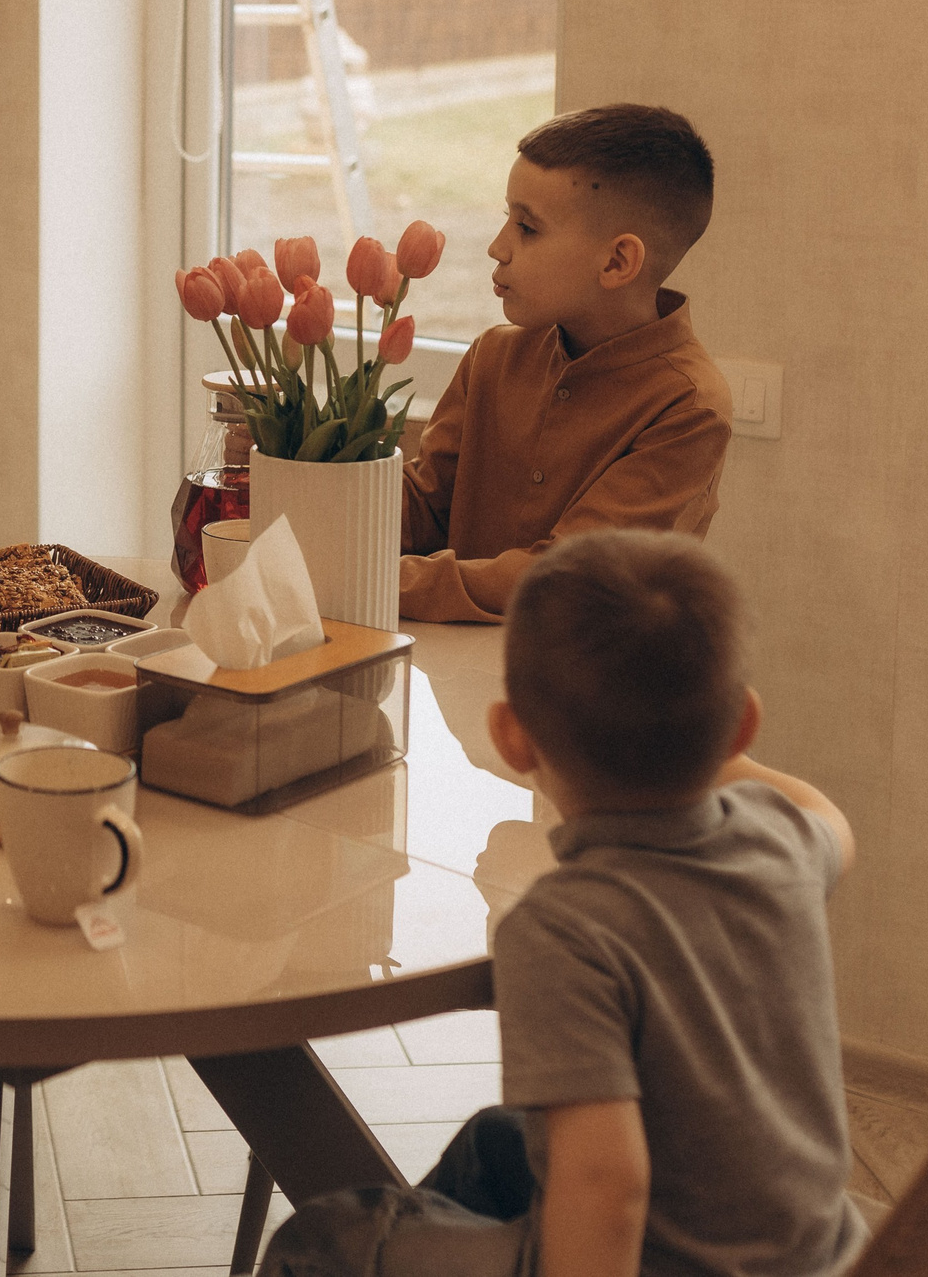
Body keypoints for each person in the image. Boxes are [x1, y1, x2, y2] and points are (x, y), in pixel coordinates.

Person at [264, 530, 867, 1277]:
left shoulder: (564, 930)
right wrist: (700, 735)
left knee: (318, 1243)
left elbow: (606, 1185)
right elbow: (825, 810)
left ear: (511, 737)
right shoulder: (783, 843)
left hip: (662, 1261)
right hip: (818, 1254)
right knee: (498, 1142)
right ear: (742, 723)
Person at [398, 104, 733, 623]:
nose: (497, 247)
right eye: (506, 218)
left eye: (527, 228)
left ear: (618, 262)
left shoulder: (688, 406)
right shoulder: (494, 355)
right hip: (452, 670)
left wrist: (369, 579)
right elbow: (423, 508)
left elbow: (564, 580)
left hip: (590, 696)